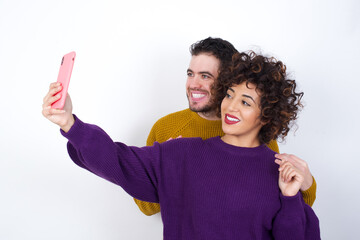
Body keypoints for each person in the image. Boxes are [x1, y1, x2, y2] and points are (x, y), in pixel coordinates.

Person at [42, 51, 320, 239]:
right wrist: (70, 124)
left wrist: (291, 197)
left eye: (246, 102)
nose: (230, 106)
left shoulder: (278, 169)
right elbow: (117, 160)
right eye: (230, 94)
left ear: (267, 115)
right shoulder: (182, 152)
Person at [136, 37, 317, 216]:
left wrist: (307, 185)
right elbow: (145, 207)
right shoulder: (165, 128)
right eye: (190, 74)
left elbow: (285, 208)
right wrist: (165, 173)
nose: (193, 85)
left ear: (228, 80)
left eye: (205, 76)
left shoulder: (254, 133)